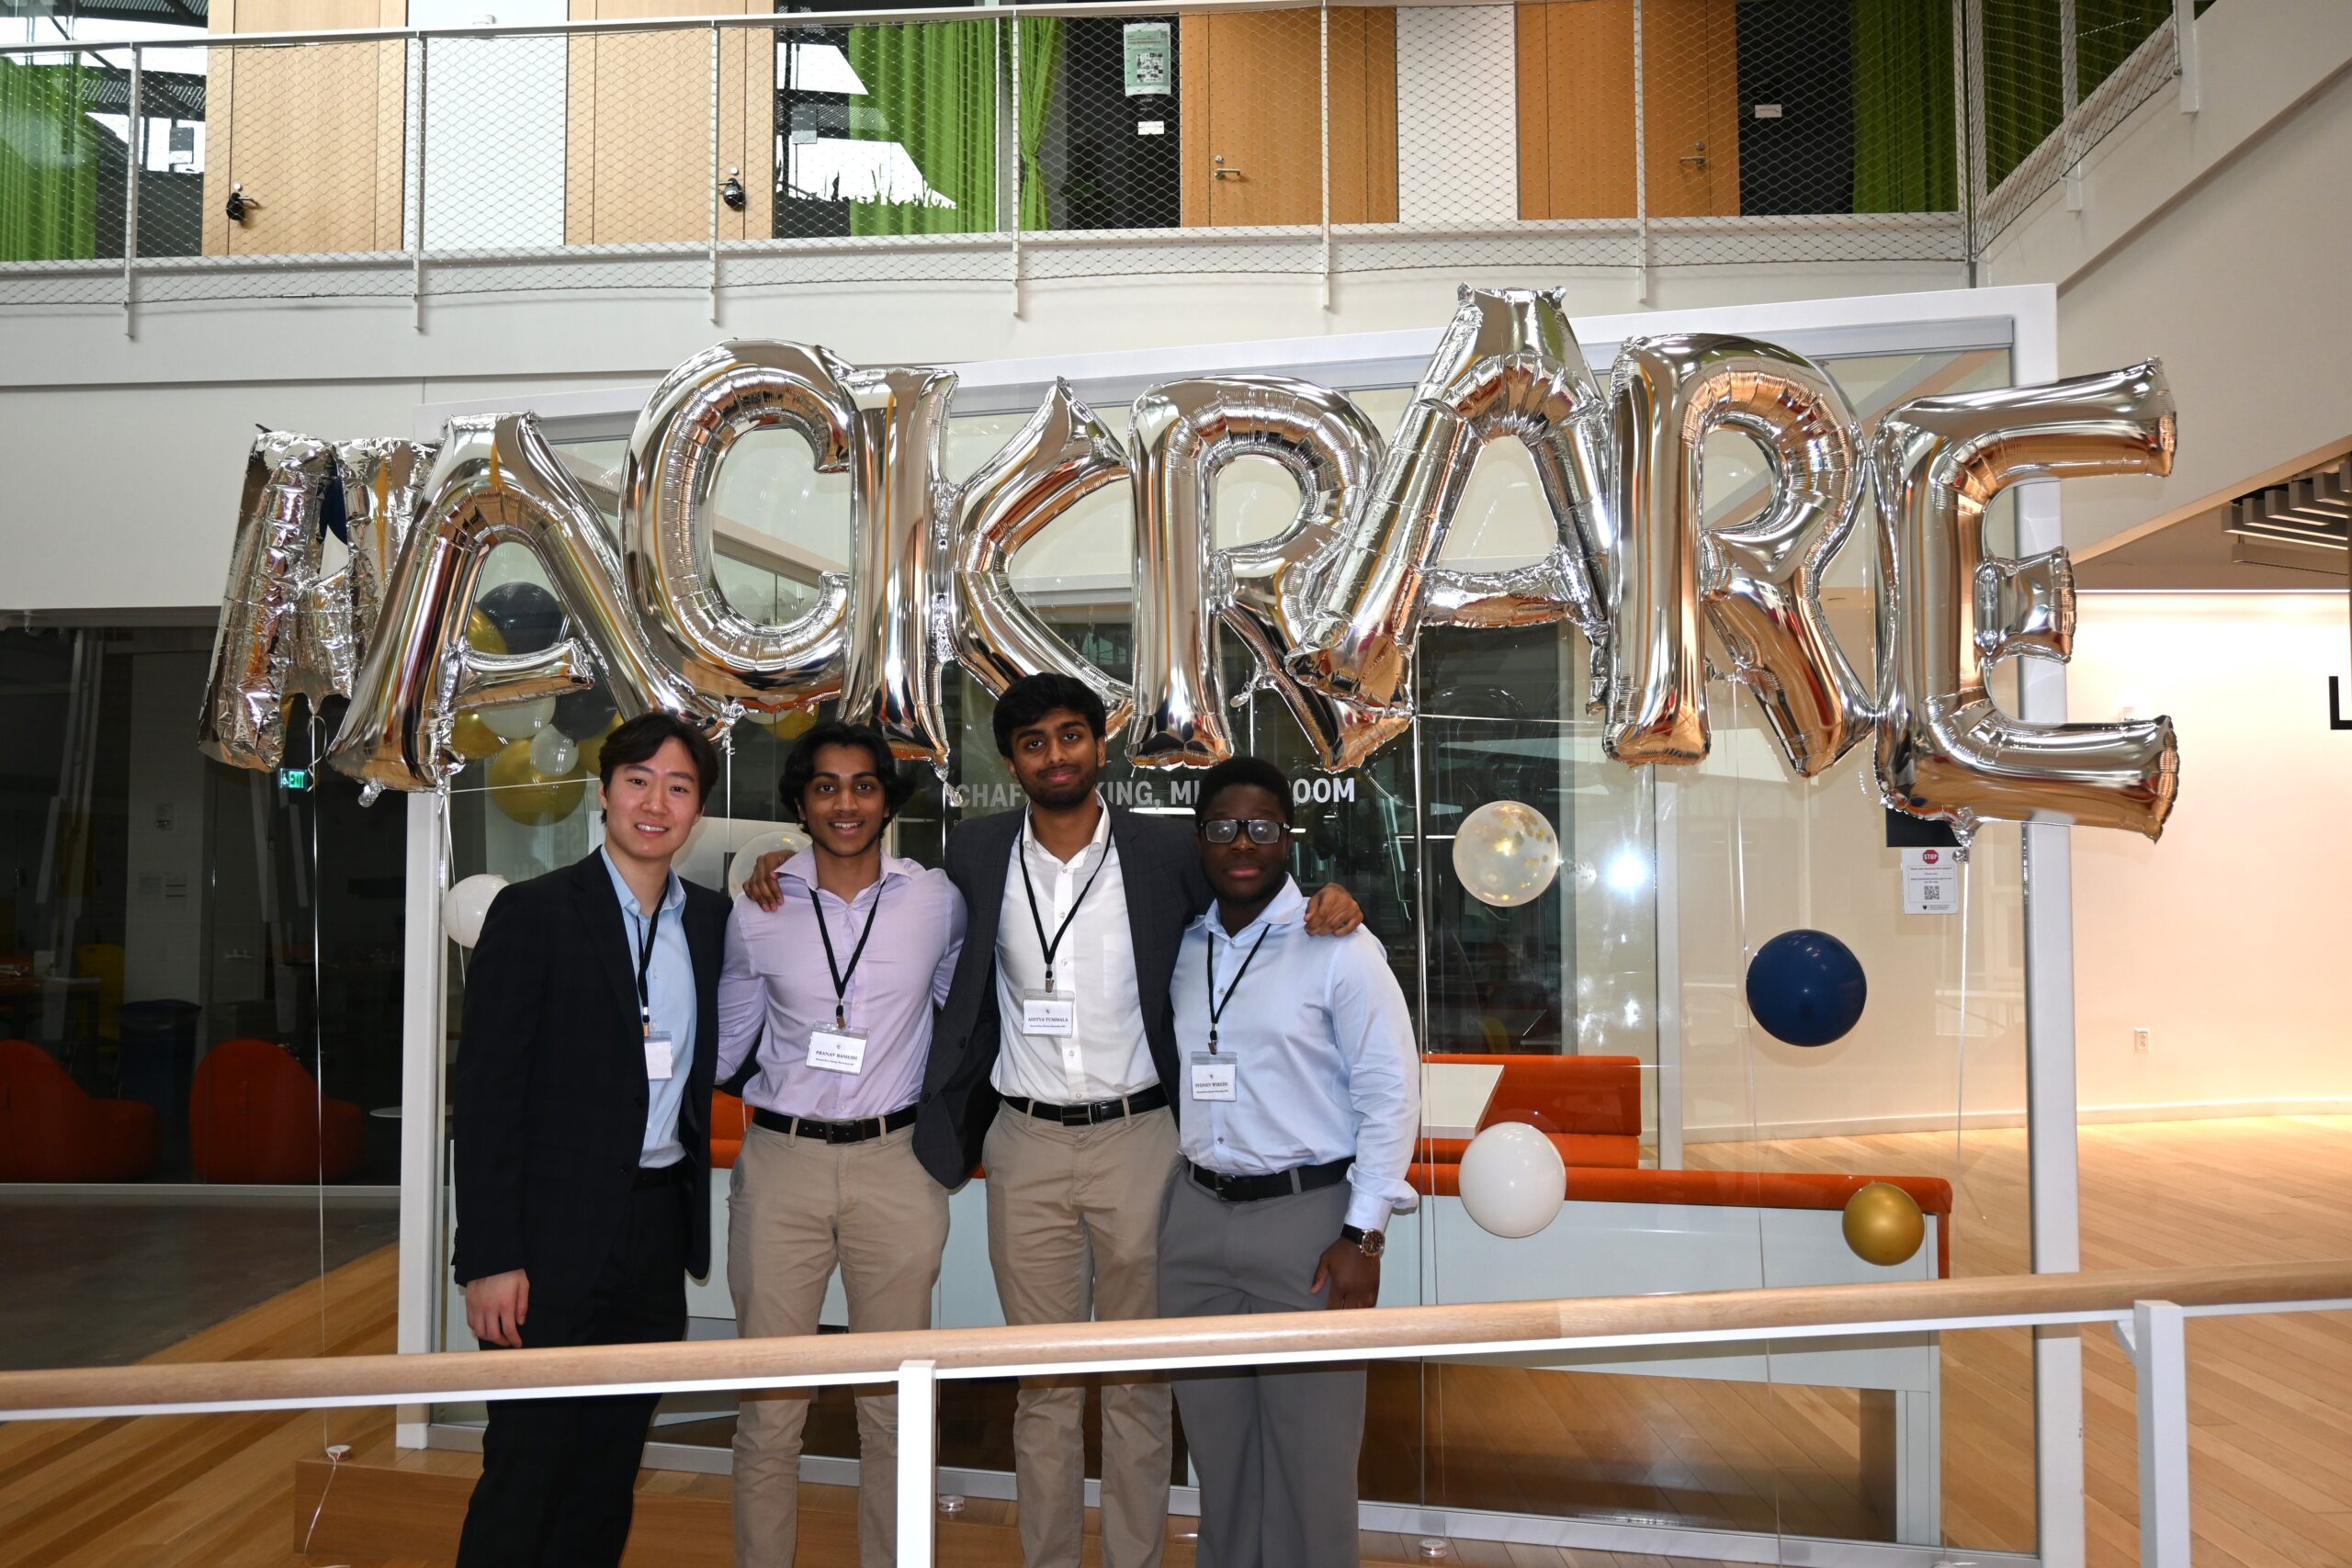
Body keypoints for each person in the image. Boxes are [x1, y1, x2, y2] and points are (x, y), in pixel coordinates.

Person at [748, 672, 1362, 1568]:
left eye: (1070, 736)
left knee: (1138, 1387)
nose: (1056, 755)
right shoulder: (978, 850)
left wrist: (1328, 903)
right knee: (1042, 1385)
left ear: (1098, 746)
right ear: (1013, 762)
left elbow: (1252, 891)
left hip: (1142, 1143)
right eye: (1034, 743)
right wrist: (769, 859)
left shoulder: (1163, 855)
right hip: (1023, 1147)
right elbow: (862, 873)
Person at [450, 711, 730, 1568]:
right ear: (604, 792)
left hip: (653, 1231)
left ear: (698, 810)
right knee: (528, 1462)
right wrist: (491, 1255)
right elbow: (487, 1095)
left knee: (610, 1465)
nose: (656, 802)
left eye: (678, 787)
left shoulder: (713, 924)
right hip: (548, 1242)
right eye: (639, 781)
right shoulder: (535, 913)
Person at [1159, 755, 1419, 1568]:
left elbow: (1389, 1093)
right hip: (1196, 1221)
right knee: (1221, 1460)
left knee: (1312, 1463)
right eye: (1225, 826)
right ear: (1200, 839)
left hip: (1310, 1221)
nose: (1243, 843)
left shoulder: (1338, 944)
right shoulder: (1181, 941)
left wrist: (1364, 1234)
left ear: (1287, 836)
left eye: (1263, 827)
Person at [717, 721, 965, 1568]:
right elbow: (725, 1044)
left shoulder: (936, 900)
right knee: (770, 1404)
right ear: (800, 801)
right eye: (826, 786)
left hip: (896, 1167)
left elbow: (958, 1015)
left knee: (896, 1402)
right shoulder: (761, 908)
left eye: (863, 785)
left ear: (887, 801)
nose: (846, 802)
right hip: (780, 1165)